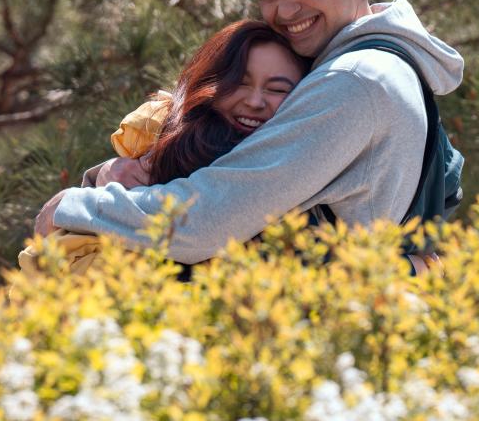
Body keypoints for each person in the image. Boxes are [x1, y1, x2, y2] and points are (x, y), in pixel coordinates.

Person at [34, 0, 464, 268]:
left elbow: (208, 220)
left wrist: (74, 206)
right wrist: (121, 170)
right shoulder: (385, 63)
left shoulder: (356, 78)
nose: (287, 12)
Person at [20, 20, 310, 277]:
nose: (255, 101)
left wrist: (73, 203)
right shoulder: (173, 137)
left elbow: (197, 223)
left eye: (277, 89)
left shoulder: (296, 157)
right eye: (240, 83)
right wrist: (101, 181)